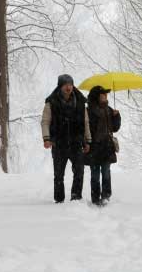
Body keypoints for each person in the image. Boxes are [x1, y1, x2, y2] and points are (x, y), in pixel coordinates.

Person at [41, 74, 91, 203]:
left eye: (70, 84)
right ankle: (59, 199)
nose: (68, 87)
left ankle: (76, 197)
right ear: (60, 86)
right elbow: (45, 121)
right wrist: (46, 138)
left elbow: (85, 122)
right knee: (59, 174)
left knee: (79, 171)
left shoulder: (80, 101)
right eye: (65, 85)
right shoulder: (51, 102)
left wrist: (87, 140)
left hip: (76, 142)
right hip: (59, 143)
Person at [86, 86, 121, 206]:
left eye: (106, 95)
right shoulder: (89, 110)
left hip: (107, 147)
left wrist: (117, 117)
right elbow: (86, 129)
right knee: (95, 174)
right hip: (94, 147)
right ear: (97, 96)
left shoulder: (109, 110)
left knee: (106, 172)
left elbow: (115, 128)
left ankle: (106, 196)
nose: (105, 97)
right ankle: (95, 198)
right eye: (103, 95)